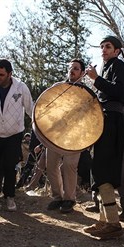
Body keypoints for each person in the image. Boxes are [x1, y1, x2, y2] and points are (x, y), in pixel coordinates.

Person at [83, 35, 124, 239]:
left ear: (117, 50)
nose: (104, 49)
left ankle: (113, 223)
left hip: (112, 122)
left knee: (104, 170)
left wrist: (96, 79)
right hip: (104, 121)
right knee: (99, 170)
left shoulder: (119, 66)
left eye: (108, 46)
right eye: (102, 47)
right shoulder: (108, 67)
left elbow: (120, 92)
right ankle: (104, 220)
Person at [0, 59, 34, 212]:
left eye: (2, 74)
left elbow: (31, 108)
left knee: (10, 166)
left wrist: (38, 128)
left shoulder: (21, 87)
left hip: (14, 134)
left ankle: (9, 196)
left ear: (10, 74)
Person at [45, 59, 86, 214]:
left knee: (69, 165)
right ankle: (57, 197)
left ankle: (69, 199)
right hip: (55, 134)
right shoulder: (57, 88)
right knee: (51, 165)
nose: (72, 71)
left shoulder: (86, 93)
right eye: (70, 68)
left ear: (82, 73)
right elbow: (47, 107)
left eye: (76, 68)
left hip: (75, 137)